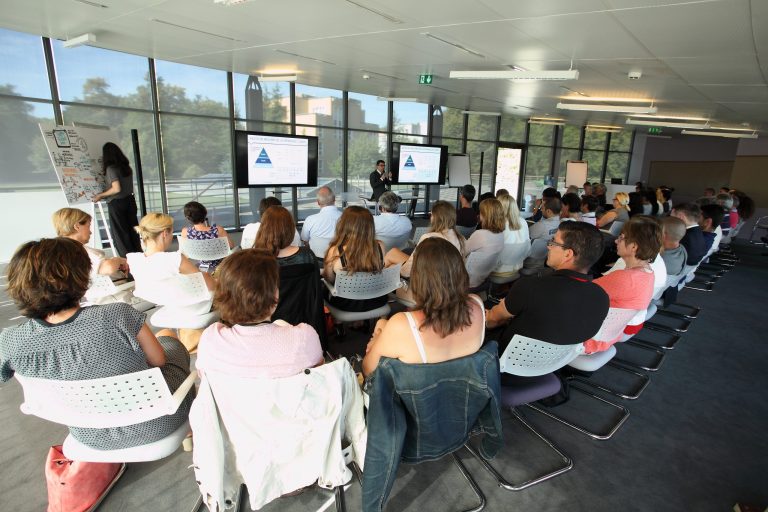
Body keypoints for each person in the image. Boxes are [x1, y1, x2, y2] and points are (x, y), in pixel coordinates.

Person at [0, 238, 193, 450]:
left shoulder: (12, 341)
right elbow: (158, 360)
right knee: (167, 337)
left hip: (90, 435)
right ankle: (189, 436)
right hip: (158, 423)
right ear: (81, 276)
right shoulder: (117, 315)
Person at [486, 222, 610, 362]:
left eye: (554, 242)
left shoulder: (530, 286)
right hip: (552, 365)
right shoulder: (602, 298)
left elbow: (492, 320)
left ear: (568, 254)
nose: (548, 246)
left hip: (503, 363)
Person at [363, 237, 485, 376]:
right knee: (382, 323)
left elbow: (368, 369)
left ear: (419, 278)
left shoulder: (402, 324)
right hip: (463, 386)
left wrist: (377, 340)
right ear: (459, 271)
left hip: (417, 394)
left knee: (381, 328)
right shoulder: (477, 305)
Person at [196, 249, 323, 378]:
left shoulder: (211, 340)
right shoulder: (305, 338)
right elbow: (317, 376)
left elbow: (204, 378)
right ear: (275, 295)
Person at [584, 216, 661, 354]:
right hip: (608, 336)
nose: (616, 241)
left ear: (633, 246)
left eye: (621, 238)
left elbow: (581, 292)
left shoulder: (625, 278)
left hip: (589, 340)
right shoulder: (649, 273)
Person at [254, 205, 326, 344]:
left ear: (264, 229)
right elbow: (315, 296)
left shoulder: (256, 262)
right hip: (303, 325)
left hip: (266, 329)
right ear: (290, 229)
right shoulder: (307, 256)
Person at [128, 213, 214, 312]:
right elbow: (208, 284)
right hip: (196, 307)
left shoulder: (133, 259)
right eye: (172, 232)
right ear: (165, 233)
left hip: (167, 305)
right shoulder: (174, 259)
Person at [51, 207, 129, 304]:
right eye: (88, 226)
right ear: (77, 226)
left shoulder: (57, 251)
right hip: (110, 299)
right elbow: (108, 268)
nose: (91, 232)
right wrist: (119, 260)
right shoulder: (78, 250)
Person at [323, 206, 387, 312]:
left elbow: (329, 279)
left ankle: (341, 324)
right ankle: (361, 322)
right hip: (375, 300)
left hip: (346, 304)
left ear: (344, 225)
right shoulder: (380, 246)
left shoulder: (335, 251)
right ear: (370, 226)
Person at [385, 200, 465, 278]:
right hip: (444, 276)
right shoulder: (461, 238)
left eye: (432, 214)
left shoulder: (429, 238)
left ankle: (375, 280)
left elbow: (408, 270)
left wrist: (397, 269)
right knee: (393, 258)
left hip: (426, 277)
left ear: (435, 217)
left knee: (392, 255)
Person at [91, 142, 143, 257]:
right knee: (132, 230)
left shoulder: (111, 169)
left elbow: (116, 188)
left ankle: (127, 259)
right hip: (130, 200)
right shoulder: (126, 167)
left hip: (117, 203)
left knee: (120, 233)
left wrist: (100, 195)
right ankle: (138, 254)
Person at [180, 201, 233, 272]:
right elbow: (231, 246)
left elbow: (183, 251)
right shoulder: (218, 230)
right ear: (205, 213)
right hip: (220, 266)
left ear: (188, 218)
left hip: (200, 266)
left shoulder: (185, 232)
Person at [465, 198, 506, 288]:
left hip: (466, 280)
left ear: (485, 215)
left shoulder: (480, 235)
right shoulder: (501, 235)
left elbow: (462, 251)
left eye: (480, 212)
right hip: (481, 279)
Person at [491, 193, 530, 277]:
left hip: (498, 270)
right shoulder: (523, 222)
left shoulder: (498, 225)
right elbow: (528, 250)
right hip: (517, 267)